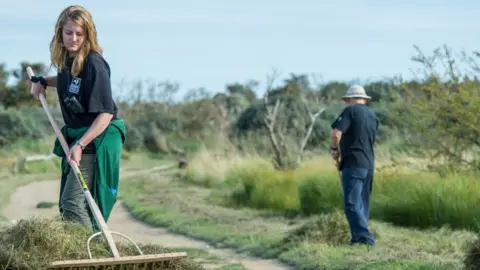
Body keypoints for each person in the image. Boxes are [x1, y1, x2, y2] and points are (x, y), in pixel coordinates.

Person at [29, 5, 126, 231]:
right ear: (60, 34)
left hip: (99, 136)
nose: (74, 39)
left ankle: (91, 256)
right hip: (81, 135)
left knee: (72, 203)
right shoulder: (67, 61)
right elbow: (67, 80)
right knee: (72, 205)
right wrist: (42, 81)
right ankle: (90, 252)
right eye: (68, 32)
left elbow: (105, 113)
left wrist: (81, 145)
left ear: (88, 34)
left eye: (79, 34)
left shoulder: (94, 64)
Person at [330, 84, 378, 247]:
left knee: (351, 202)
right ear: (364, 99)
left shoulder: (350, 111)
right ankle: (357, 239)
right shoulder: (372, 115)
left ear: (351, 99)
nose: (345, 103)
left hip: (353, 163)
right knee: (362, 202)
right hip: (369, 163)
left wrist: (334, 149)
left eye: (346, 100)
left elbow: (336, 133)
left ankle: (366, 239)